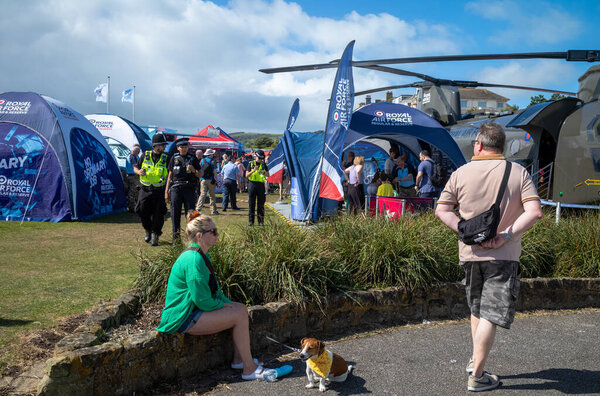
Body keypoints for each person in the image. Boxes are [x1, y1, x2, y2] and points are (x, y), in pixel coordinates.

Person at [435, 121, 542, 392]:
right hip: (504, 256)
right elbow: (535, 212)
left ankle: (474, 361)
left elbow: (442, 210)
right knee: (490, 315)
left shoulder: (460, 173)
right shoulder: (518, 172)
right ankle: (478, 375)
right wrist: (506, 235)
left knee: (477, 310)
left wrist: (463, 229)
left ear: (479, 145)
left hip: (470, 254)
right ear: (502, 146)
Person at [156, 213, 265, 380]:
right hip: (182, 317)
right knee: (238, 315)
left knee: (240, 308)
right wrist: (223, 306)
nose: (217, 234)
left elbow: (215, 289)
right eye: (213, 231)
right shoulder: (193, 259)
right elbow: (202, 300)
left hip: (193, 311)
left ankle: (239, 361)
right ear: (200, 236)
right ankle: (249, 368)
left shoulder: (202, 254)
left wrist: (226, 303)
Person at [134, 134, 168, 246]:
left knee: (159, 213)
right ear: (156, 146)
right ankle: (148, 229)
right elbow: (135, 167)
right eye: (163, 145)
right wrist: (138, 172)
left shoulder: (166, 157)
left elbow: (171, 173)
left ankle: (155, 235)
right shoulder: (145, 155)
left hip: (159, 190)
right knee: (142, 210)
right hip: (145, 189)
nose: (164, 147)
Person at [165, 138, 200, 240]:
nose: (184, 149)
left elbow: (200, 175)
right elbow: (170, 176)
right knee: (175, 214)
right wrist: (166, 192)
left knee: (190, 214)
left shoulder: (193, 158)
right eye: (182, 147)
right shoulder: (173, 158)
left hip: (189, 189)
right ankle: (176, 239)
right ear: (178, 148)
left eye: (186, 147)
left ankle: (191, 237)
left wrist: (193, 170)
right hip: (176, 189)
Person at [246, 150, 269, 226]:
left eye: (261, 158)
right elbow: (247, 175)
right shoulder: (251, 163)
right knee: (251, 204)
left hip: (260, 185)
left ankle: (261, 221)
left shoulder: (263, 164)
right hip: (252, 184)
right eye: (259, 158)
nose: (260, 159)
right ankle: (251, 221)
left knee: (261, 204)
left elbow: (268, 174)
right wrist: (253, 170)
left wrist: (263, 172)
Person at [196, 149, 219, 215]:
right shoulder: (213, 161)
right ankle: (213, 210)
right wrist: (217, 180)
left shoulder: (202, 160)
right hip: (211, 180)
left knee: (202, 195)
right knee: (212, 196)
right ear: (210, 154)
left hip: (203, 180)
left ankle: (198, 209)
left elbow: (199, 170)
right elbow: (215, 172)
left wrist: (200, 178)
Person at [125, 144, 142, 213]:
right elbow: (135, 166)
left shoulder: (131, 156)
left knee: (132, 191)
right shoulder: (132, 157)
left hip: (130, 176)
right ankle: (132, 207)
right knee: (134, 191)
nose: (138, 153)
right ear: (134, 151)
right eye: (137, 151)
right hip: (133, 176)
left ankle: (133, 207)